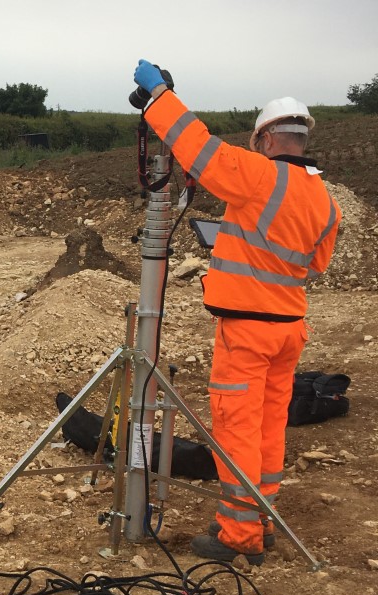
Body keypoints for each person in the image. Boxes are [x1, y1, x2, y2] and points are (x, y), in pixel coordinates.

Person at [133, 59, 341, 565]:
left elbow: (196, 146)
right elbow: (314, 263)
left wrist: (158, 94)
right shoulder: (324, 200)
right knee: (270, 429)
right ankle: (259, 517)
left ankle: (239, 535)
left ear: (267, 139)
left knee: (236, 430)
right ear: (300, 138)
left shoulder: (257, 175)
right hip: (290, 329)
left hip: (247, 331)